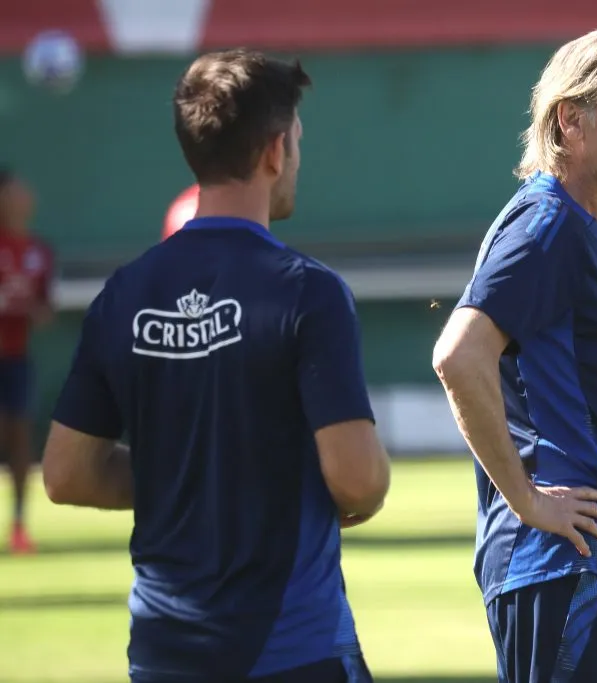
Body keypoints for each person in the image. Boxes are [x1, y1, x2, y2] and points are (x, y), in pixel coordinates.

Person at [41, 49, 389, 683]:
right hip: (290, 648)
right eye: (298, 142)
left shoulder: (123, 294)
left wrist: (194, 479)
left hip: (162, 654)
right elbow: (358, 480)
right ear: (275, 151)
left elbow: (67, 474)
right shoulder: (308, 292)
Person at [432, 27, 597, 683]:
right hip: (562, 559)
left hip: (581, 560)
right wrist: (529, 498)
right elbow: (458, 355)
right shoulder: (548, 225)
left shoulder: (578, 224)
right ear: (572, 119)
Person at [0, 169, 55, 555]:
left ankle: (18, 524)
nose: (24, 196)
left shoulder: (40, 251)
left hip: (16, 358)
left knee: (20, 437)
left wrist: (35, 310)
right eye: (15, 190)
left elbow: (45, 307)